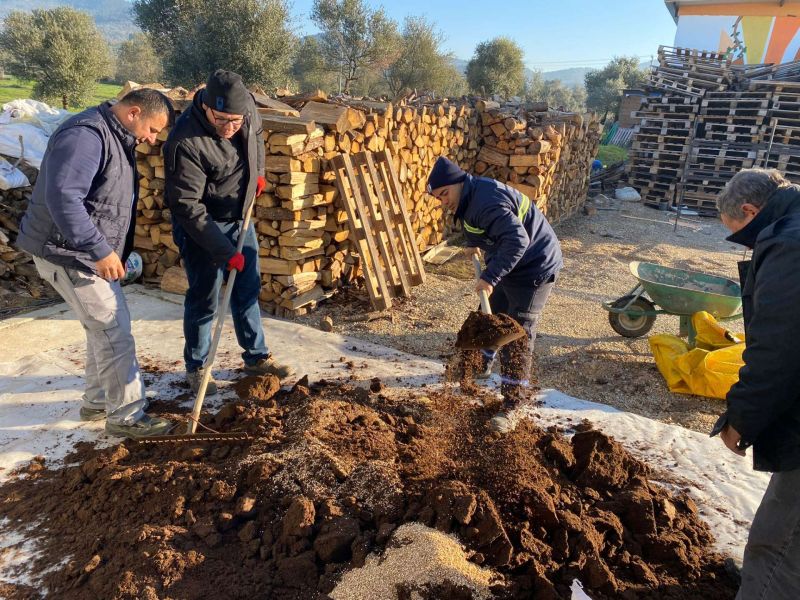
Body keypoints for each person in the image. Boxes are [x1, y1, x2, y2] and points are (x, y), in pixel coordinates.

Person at [16, 89, 174, 438]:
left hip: (75, 250)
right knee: (114, 330)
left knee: (99, 328)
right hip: (69, 253)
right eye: (151, 129)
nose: (151, 139)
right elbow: (64, 197)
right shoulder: (86, 135)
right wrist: (100, 250)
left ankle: (98, 400)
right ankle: (126, 415)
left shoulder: (111, 134)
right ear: (133, 113)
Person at [164, 69, 292, 394]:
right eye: (222, 120)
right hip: (202, 225)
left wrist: (258, 174)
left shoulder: (246, 110)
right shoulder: (185, 141)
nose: (230, 127)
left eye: (235, 120)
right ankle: (197, 367)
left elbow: (257, 138)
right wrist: (224, 251)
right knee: (205, 298)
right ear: (206, 107)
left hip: (239, 218)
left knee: (247, 290)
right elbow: (188, 207)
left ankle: (256, 357)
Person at [712, 168, 800, 599]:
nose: (748, 247)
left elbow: (778, 351)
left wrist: (741, 420)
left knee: (780, 545)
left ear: (750, 210)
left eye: (742, 236)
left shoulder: (788, 243)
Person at [427, 156, 562, 433]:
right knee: (490, 317)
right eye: (438, 197)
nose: (443, 201)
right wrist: (473, 244)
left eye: (444, 194)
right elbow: (480, 226)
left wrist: (490, 277)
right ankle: (481, 363)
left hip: (535, 266)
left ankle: (513, 405)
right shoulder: (470, 196)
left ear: (458, 182)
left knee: (516, 333)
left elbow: (517, 239)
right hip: (510, 260)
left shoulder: (486, 200)